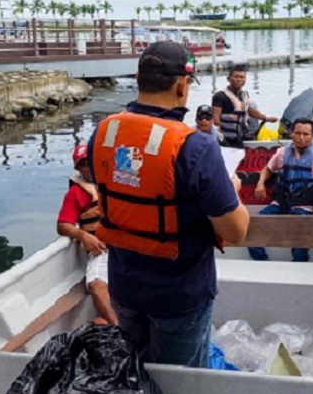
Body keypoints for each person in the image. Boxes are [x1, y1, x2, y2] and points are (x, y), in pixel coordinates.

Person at [88, 40, 249, 369]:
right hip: (180, 296)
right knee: (180, 387)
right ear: (181, 85)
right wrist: (232, 187)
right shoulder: (196, 147)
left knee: (136, 372)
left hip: (124, 289)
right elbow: (236, 232)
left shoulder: (102, 134)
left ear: (138, 78)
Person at [249, 118, 313, 262]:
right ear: (291, 134)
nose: (301, 138)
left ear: (312, 137)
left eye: (306, 134)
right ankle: (261, 260)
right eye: (298, 133)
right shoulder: (282, 153)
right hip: (280, 203)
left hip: (304, 206)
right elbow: (267, 169)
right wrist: (260, 183)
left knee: (300, 234)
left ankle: (299, 263)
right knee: (253, 226)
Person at [57, 144, 117, 325]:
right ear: (78, 168)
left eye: (92, 161)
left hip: (128, 246)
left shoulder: (118, 182)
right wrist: (84, 236)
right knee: (97, 286)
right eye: (83, 164)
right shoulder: (76, 193)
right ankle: (119, 328)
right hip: (102, 248)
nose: (89, 167)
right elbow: (63, 225)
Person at [212, 64, 277, 147]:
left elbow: (250, 111)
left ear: (245, 79)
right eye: (236, 76)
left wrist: (266, 118)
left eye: (242, 77)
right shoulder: (220, 96)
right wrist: (219, 138)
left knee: (252, 104)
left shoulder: (244, 95)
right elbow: (215, 120)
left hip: (240, 138)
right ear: (229, 79)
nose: (239, 79)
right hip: (225, 139)